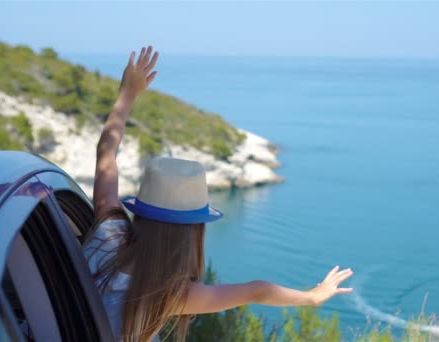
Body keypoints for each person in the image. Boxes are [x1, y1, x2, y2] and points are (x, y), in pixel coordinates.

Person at [84, 46, 354, 342]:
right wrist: (312, 297)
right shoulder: (170, 295)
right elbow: (257, 291)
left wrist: (127, 93)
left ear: (142, 210)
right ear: (193, 231)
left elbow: (105, 156)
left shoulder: (108, 236)